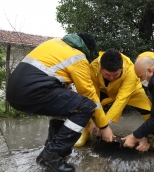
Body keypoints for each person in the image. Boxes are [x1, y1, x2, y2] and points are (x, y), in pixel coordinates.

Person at [6, 33, 114, 172]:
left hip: (15, 93)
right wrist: (104, 126)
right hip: (33, 92)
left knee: (67, 104)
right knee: (86, 106)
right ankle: (52, 155)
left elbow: (61, 86)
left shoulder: (54, 43)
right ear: (86, 49)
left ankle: (51, 147)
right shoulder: (78, 56)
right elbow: (89, 93)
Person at [73, 48, 154, 147]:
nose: (111, 78)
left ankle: (153, 133)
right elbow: (92, 95)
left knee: (147, 108)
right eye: (107, 75)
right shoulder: (93, 67)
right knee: (87, 104)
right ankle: (86, 132)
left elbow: (122, 99)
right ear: (100, 68)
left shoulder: (131, 70)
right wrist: (94, 121)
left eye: (116, 74)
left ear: (121, 67)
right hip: (105, 90)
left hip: (131, 91)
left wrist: (104, 125)